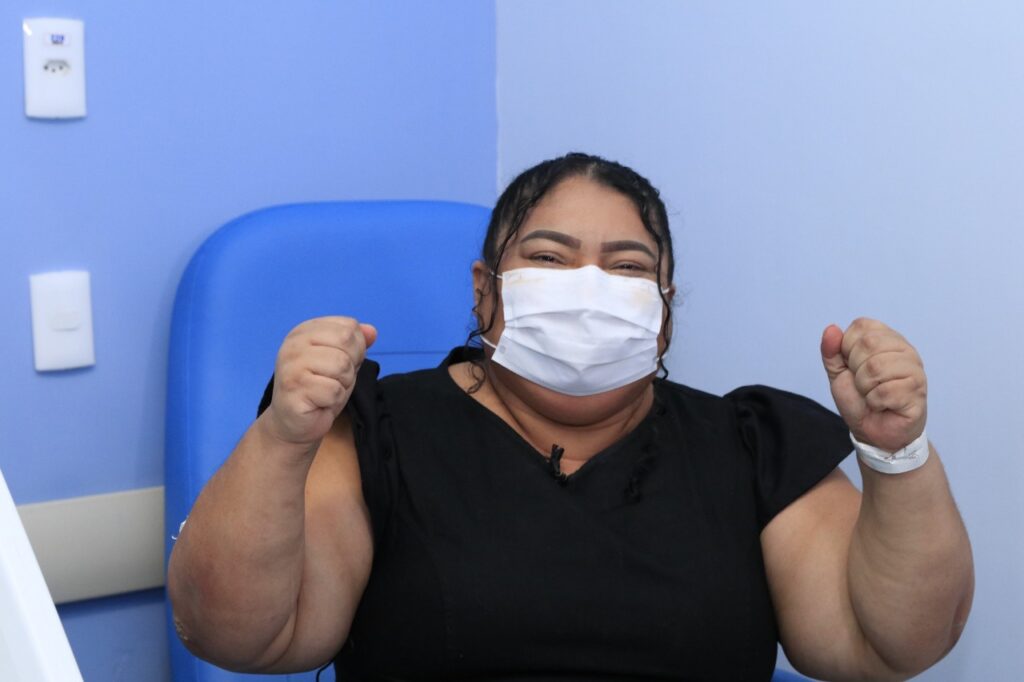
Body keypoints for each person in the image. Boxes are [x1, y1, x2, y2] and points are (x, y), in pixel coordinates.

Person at [167, 153, 974, 681]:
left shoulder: (746, 444)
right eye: (549, 258)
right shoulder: (381, 430)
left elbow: (887, 645)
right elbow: (240, 636)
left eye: (627, 267)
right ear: (484, 290)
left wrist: (896, 453)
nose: (589, 287)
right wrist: (285, 438)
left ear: (663, 313)